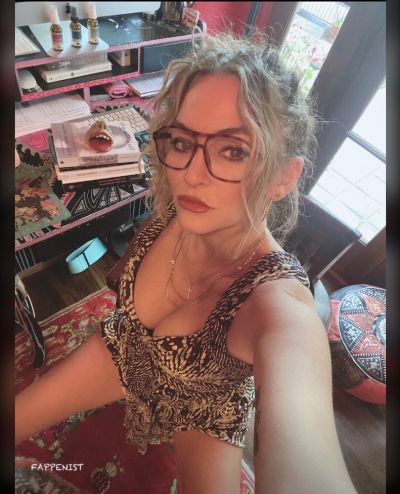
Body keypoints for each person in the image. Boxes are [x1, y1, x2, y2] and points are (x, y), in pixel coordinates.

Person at [15, 31, 358, 494]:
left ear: (282, 177)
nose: (191, 174)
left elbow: (304, 447)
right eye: (181, 142)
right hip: (126, 351)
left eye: (233, 150)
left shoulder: (277, 304)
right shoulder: (186, 208)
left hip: (201, 407)